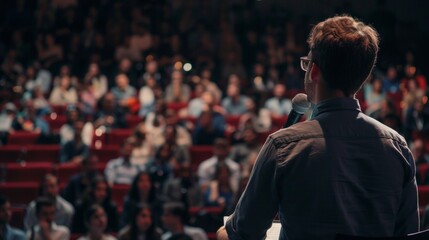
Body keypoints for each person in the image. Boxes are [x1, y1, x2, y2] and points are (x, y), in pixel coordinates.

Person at [217, 15, 419, 240]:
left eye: (307, 62)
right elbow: (410, 233)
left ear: (313, 71)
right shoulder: (397, 147)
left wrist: (224, 232)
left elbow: (242, 235)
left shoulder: (284, 145)